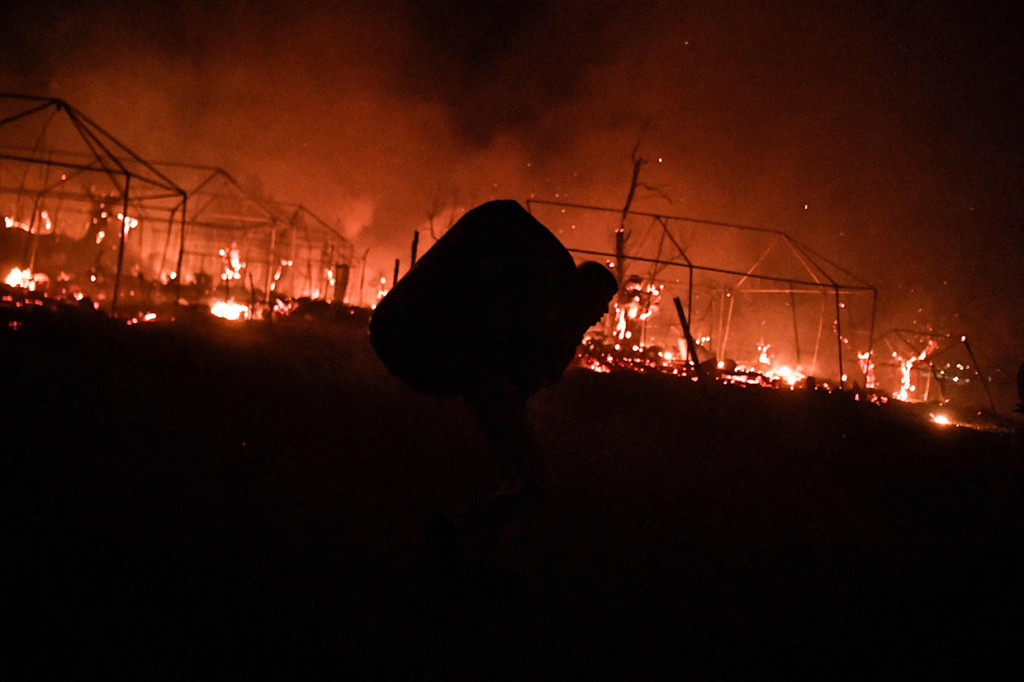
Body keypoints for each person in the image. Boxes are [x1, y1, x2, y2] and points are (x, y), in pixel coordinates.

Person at [370, 199, 617, 497]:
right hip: (414, 341)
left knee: (512, 446)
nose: (603, 312)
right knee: (512, 447)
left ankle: (506, 494)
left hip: (421, 347)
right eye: (601, 301)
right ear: (583, 292)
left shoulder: (550, 324)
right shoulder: (538, 304)